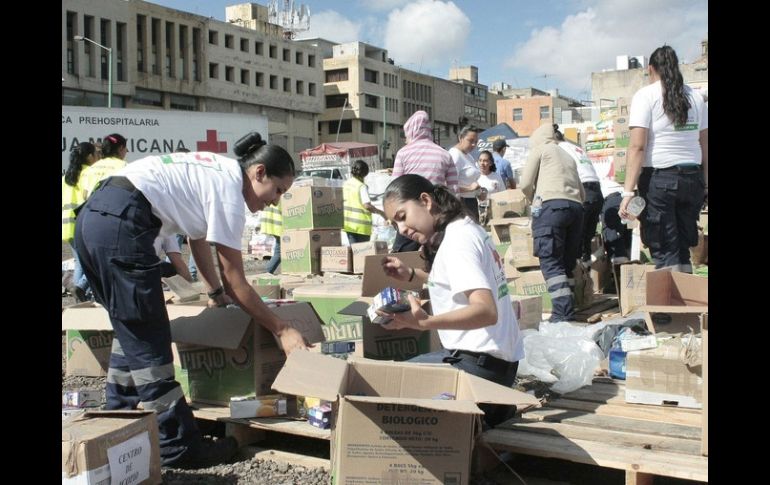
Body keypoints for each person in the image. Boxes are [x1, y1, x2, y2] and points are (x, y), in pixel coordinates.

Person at [73, 131, 310, 469]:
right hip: (124, 223)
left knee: (131, 328)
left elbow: (200, 243)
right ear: (259, 173)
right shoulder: (230, 189)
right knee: (151, 336)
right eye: (278, 190)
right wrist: (281, 328)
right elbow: (236, 278)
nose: (275, 201)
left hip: (95, 218)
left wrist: (215, 294)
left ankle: (118, 416)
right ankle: (178, 446)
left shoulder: (214, 171)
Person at [378, 174, 524, 427]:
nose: (401, 230)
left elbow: (486, 311)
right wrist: (412, 275)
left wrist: (424, 323)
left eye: (402, 217)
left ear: (426, 201)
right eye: (394, 224)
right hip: (497, 365)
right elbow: (456, 280)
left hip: (479, 367)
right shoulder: (465, 227)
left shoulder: (457, 242)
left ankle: (480, 415)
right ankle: (491, 411)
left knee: (386, 385)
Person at [619, 45, 708, 273]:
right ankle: (684, 304)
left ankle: (667, 307)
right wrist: (704, 182)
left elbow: (638, 146)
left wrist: (628, 192)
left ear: (651, 69)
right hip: (692, 178)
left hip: (661, 180)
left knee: (664, 248)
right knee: (682, 247)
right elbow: (705, 144)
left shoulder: (646, 95)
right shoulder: (696, 97)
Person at [519, 123, 585, 323]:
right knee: (567, 261)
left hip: (550, 208)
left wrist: (533, 199)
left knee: (551, 262)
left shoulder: (540, 149)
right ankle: (571, 306)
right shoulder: (568, 155)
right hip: (576, 209)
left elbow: (524, 183)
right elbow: (582, 193)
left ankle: (562, 313)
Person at [391, 110, 458, 252]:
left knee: (404, 257)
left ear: (411, 130)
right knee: (436, 256)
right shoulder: (445, 154)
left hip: (410, 215)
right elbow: (454, 192)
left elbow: (395, 188)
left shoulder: (403, 153)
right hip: (436, 217)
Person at [554, 125, 604, 267]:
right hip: (596, 191)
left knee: (575, 238)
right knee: (586, 238)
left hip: (583, 190)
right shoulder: (576, 148)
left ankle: (578, 276)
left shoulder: (558, 149)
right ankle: (586, 277)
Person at [62, 142, 99, 302]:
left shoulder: (66, 177)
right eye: (96, 155)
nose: (98, 158)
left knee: (80, 262)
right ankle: (82, 292)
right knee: (89, 262)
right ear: (89, 156)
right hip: (82, 225)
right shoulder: (89, 174)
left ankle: (79, 296)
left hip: (67, 225)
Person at [343, 160, 387, 244]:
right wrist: (382, 213)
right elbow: (367, 205)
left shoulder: (346, 184)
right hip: (361, 226)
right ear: (365, 173)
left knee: (354, 252)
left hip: (348, 224)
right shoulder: (361, 186)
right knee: (361, 253)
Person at [449, 126, 483, 222]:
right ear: (461, 138)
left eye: (476, 142)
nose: (473, 144)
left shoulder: (468, 155)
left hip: (471, 201)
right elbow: (449, 185)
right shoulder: (455, 155)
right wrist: (470, 189)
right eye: (470, 140)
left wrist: (478, 192)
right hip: (461, 203)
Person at [260, 201, 283, 274]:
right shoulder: (283, 193)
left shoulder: (273, 192)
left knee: (279, 251)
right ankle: (267, 273)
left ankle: (267, 273)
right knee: (279, 252)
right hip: (279, 226)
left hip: (273, 225)